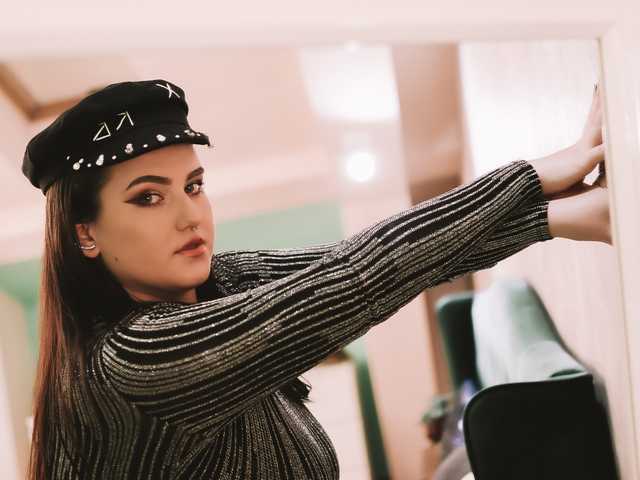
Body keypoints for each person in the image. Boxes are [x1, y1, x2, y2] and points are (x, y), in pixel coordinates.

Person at [21, 79, 609, 480]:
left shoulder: (221, 279)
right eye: (148, 197)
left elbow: (371, 263)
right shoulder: (135, 362)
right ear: (85, 235)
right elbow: (352, 282)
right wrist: (531, 176)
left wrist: (551, 218)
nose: (190, 215)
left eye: (194, 186)